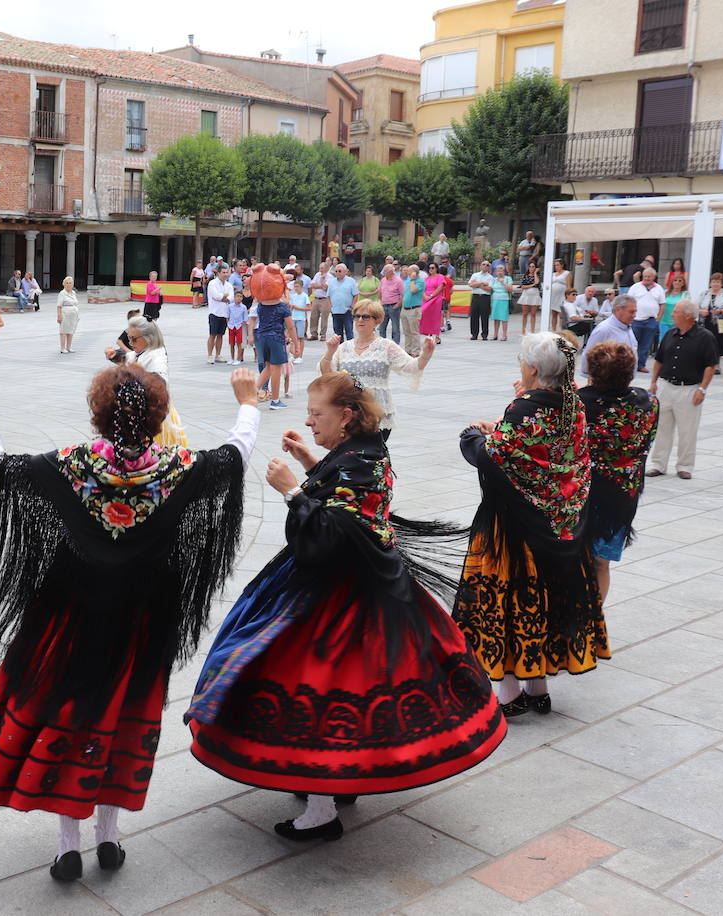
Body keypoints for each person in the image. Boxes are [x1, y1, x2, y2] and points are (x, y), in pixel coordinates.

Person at [0, 362, 257, 881]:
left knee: (70, 715)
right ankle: (109, 838)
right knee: (121, 719)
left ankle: (68, 845)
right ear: (158, 416)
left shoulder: (71, 465)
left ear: (98, 414)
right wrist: (248, 402)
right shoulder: (178, 467)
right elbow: (236, 453)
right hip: (143, 619)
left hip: (69, 614)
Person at [187, 371, 506, 839]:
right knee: (346, 694)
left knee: (319, 694)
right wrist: (308, 459)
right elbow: (343, 491)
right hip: (365, 583)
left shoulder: (359, 462)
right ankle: (341, 780)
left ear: (346, 416)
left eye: (316, 414)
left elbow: (331, 536)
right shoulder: (365, 450)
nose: (309, 421)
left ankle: (322, 810)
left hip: (340, 597)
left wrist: (292, 491)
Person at [453, 333, 605, 717]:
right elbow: (546, 452)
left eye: (522, 360)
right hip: (559, 522)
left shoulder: (524, 408)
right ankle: (538, 688)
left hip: (515, 526)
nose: (520, 365)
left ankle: (508, 693)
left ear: (533, 368)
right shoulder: (574, 405)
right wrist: (500, 428)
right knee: (542, 600)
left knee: (507, 601)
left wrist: (472, 436)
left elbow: (493, 457)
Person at [579, 341, 658, 606]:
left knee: (573, 559)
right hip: (622, 498)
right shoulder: (648, 402)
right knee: (601, 563)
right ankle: (594, 617)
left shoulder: (579, 403)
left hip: (582, 497)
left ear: (592, 370)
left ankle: (571, 615)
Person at [321, 300, 435, 439]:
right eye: (357, 316)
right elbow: (327, 374)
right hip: (349, 412)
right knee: (349, 451)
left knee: (372, 451)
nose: (360, 320)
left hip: (377, 413)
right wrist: (330, 352)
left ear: (377, 321)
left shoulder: (386, 346)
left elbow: (411, 367)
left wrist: (426, 354)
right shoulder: (344, 347)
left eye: (365, 317)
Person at [646, 300, 718, 480]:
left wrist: (702, 389)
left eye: (676, 312)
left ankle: (685, 466)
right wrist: (653, 382)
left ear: (688, 316)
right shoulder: (670, 334)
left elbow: (711, 365)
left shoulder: (705, 337)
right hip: (666, 386)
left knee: (687, 430)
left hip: (689, 389)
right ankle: (658, 464)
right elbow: (659, 360)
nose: (672, 314)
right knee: (662, 428)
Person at [106, 315, 188, 446]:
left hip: (155, 416)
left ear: (149, 338)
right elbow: (129, 358)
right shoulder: (142, 351)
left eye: (134, 339)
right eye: (129, 338)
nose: (130, 343)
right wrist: (115, 355)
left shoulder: (157, 356)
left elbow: (159, 382)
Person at [250, 264, 297, 410]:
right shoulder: (282, 307)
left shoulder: (260, 306)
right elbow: (290, 327)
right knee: (276, 368)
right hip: (276, 338)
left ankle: (252, 391)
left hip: (262, 337)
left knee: (268, 367)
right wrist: (296, 344)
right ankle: (275, 400)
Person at [627, 267, 666, 371]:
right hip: (636, 320)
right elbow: (628, 301)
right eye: (645, 276)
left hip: (651, 320)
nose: (647, 278)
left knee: (646, 344)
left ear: (654, 277)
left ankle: (641, 365)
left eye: (649, 276)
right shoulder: (635, 287)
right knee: (633, 343)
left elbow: (662, 304)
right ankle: (630, 365)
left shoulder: (659, 288)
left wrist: (659, 317)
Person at [697, 272, 723, 370]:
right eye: (713, 282)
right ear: (710, 283)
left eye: (718, 282)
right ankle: (703, 363)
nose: (715, 284)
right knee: (703, 342)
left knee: (719, 343)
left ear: (721, 283)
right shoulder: (704, 293)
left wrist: (720, 311)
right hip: (704, 322)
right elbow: (696, 306)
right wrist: (701, 311)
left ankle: (716, 365)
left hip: (720, 323)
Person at [206, 266, 234, 364]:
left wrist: (223, 297)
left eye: (227, 272)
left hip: (224, 313)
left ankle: (218, 355)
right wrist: (224, 296)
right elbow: (216, 296)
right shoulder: (212, 283)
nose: (225, 274)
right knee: (212, 335)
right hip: (214, 312)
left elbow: (231, 297)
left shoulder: (229, 285)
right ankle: (210, 355)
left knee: (220, 335)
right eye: (223, 272)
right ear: (218, 273)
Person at [328, 264, 359, 341]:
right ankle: (340, 347)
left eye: (340, 271)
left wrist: (353, 305)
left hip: (347, 310)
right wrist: (330, 306)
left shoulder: (351, 281)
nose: (337, 273)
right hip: (335, 311)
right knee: (337, 333)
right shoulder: (332, 282)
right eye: (336, 271)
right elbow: (328, 295)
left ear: (345, 272)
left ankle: (350, 347)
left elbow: (356, 294)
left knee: (349, 331)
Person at [421, 262, 450, 345]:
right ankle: (428, 334)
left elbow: (440, 288)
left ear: (436, 269)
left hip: (436, 299)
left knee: (436, 317)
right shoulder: (427, 278)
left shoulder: (440, 277)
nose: (431, 269)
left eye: (432, 268)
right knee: (425, 315)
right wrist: (425, 296)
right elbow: (422, 288)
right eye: (429, 268)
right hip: (426, 298)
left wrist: (431, 296)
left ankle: (437, 336)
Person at [399, 265, 425, 357]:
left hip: (414, 309)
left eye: (409, 271)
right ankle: (408, 350)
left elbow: (413, 290)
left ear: (414, 272)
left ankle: (416, 351)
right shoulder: (409, 281)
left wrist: (413, 279)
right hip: (405, 309)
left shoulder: (420, 281)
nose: (407, 272)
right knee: (406, 332)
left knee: (414, 332)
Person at [288, 270, 310, 361]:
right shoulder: (293, 296)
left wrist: (298, 308)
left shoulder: (305, 296)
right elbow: (291, 307)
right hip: (293, 318)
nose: (296, 288)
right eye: (295, 286)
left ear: (301, 287)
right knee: (293, 337)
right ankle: (295, 354)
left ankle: (300, 356)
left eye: (297, 286)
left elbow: (309, 308)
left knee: (300, 337)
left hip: (301, 318)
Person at [489, 264, 514, 341]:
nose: (499, 272)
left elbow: (510, 289)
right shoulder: (494, 279)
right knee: (496, 317)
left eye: (501, 270)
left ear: (504, 271)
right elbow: (490, 288)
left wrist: (503, 282)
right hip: (495, 299)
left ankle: (504, 335)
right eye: (498, 270)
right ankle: (495, 335)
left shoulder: (508, 278)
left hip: (504, 299)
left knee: (504, 317)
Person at [56, 276, 80, 353]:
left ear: (72, 284)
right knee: (63, 331)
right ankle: (63, 348)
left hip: (73, 315)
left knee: (71, 331)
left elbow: (75, 303)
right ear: (64, 284)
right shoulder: (62, 293)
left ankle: (69, 347)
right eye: (67, 283)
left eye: (70, 283)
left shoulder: (73, 293)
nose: (68, 284)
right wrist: (59, 316)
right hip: (65, 314)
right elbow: (59, 306)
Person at [517, 263, 542, 336]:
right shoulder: (525, 276)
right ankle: (523, 330)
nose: (531, 268)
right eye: (530, 266)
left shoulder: (538, 276)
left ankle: (532, 331)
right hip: (526, 295)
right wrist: (532, 285)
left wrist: (535, 273)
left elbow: (537, 282)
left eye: (533, 267)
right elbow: (522, 286)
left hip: (535, 295)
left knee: (533, 314)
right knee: (525, 314)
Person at [225, 292, 248, 365]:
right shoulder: (230, 306)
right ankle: (232, 358)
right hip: (231, 326)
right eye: (237, 296)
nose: (239, 298)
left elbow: (245, 318)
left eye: (241, 296)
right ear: (234, 297)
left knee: (239, 343)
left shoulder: (244, 307)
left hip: (239, 326)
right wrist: (228, 325)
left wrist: (242, 326)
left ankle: (238, 359)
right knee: (231, 343)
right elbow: (227, 316)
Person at [549, 259, 571, 331]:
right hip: (553, 296)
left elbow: (569, 286)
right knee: (554, 313)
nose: (556, 267)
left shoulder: (567, 273)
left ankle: (561, 330)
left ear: (562, 265)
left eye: (558, 265)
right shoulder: (553, 274)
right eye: (555, 265)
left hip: (562, 296)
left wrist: (568, 296)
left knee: (561, 314)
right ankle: (553, 330)